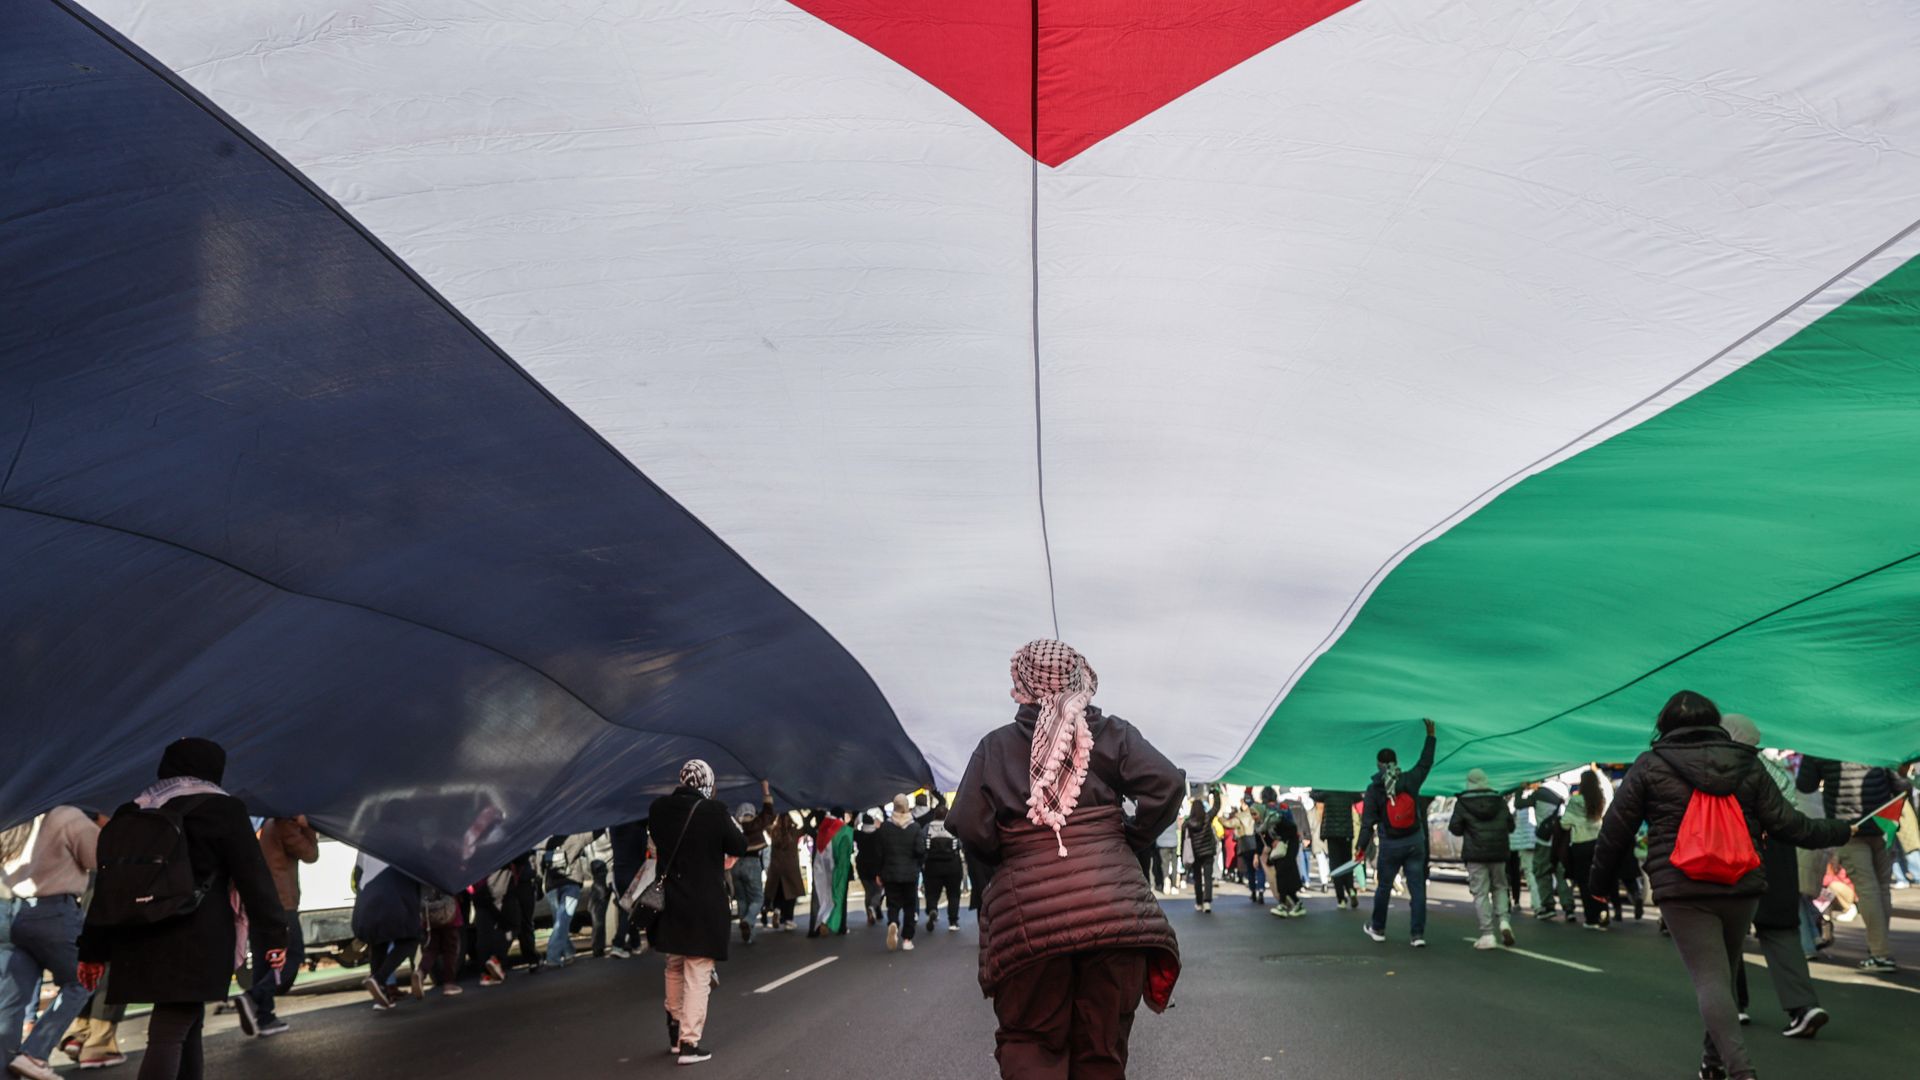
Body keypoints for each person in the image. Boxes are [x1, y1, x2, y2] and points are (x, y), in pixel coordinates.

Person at [949, 640, 1183, 1079]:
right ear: (1081, 678)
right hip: (1115, 913)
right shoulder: (1112, 734)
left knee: (1032, 1044)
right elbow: (1167, 785)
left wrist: (1016, 857)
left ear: (1020, 684)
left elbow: (969, 824)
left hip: (1030, 923)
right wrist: (1127, 839)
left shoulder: (996, 748)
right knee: (1102, 1050)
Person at [1589, 691, 1852, 1080]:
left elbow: (1615, 830)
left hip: (1682, 888)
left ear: (1664, 725)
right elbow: (1788, 825)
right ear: (1714, 722)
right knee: (1723, 975)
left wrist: (1599, 885)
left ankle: (1740, 1070)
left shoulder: (1650, 764)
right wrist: (1842, 830)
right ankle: (1711, 1064)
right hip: (1740, 883)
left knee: (1711, 980)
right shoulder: (1747, 763)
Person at [76, 738, 287, 1080]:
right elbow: (253, 876)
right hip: (197, 937)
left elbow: (110, 885)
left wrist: (92, 950)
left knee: (186, 1023)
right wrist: (275, 935)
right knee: (170, 1030)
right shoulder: (224, 809)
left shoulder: (134, 810)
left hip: (138, 935)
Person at [1719, 717, 1828, 1039]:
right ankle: (1804, 1006)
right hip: (1779, 853)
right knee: (1781, 929)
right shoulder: (1773, 768)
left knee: (1728, 932)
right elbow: (1792, 816)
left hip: (1734, 853)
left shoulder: (1720, 769)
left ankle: (1733, 1004)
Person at [648, 759, 748, 1067]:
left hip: (670, 902)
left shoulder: (658, 809)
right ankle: (690, 1043)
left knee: (674, 965)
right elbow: (739, 844)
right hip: (703, 904)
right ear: (707, 782)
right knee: (698, 971)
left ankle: (675, 1032)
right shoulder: (714, 811)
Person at [2, 805, 101, 1080]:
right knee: (84, 978)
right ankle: (34, 1053)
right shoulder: (64, 815)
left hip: (10, 912)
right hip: (53, 910)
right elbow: (98, 856)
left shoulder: (15, 813)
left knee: (14, 1001)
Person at [1795, 754, 1910, 972]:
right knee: (1882, 888)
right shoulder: (1874, 738)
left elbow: (1805, 785)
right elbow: (1900, 784)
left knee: (1867, 889)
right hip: (1883, 824)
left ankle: (1880, 953)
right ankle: (1879, 949)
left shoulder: (1821, 745)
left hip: (1847, 828)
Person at [1356, 719, 1438, 947]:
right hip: (1414, 841)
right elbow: (1425, 762)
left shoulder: (1374, 789)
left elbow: (1367, 822)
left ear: (1378, 764)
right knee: (1417, 888)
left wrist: (1361, 848)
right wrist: (1431, 735)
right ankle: (1418, 935)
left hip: (1390, 845)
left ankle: (1378, 928)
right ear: (1395, 762)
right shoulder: (1410, 779)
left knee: (1384, 887)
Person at [235, 815, 317, 1037]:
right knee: (292, 954)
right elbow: (310, 854)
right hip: (281, 904)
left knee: (266, 958)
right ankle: (254, 996)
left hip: (256, 903)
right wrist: (307, 828)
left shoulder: (261, 827)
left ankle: (265, 1017)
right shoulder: (283, 825)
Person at [1448, 769, 1515, 949]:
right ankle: (1504, 922)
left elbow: (1454, 828)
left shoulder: (1463, 803)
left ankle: (1488, 934)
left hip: (1475, 854)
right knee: (1500, 887)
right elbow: (1511, 825)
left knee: (1481, 893)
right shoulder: (1499, 801)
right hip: (1499, 852)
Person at [351, 852, 422, 1010]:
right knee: (410, 939)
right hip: (396, 898)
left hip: (367, 898)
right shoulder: (404, 838)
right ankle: (379, 979)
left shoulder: (366, 840)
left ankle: (381, 996)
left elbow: (358, 872)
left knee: (379, 943)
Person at [876, 795, 926, 951]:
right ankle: (907, 939)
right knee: (910, 906)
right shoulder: (915, 827)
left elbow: (879, 852)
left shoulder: (885, 827)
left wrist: (879, 872)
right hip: (910, 873)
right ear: (906, 807)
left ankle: (893, 922)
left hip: (889, 872)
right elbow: (920, 850)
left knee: (893, 903)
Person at [1564, 770, 1610, 929]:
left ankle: (1591, 918)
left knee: (1584, 882)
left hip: (1581, 845)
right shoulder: (1600, 799)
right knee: (1599, 879)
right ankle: (1604, 911)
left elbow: (1565, 824)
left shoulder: (1575, 801)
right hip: (1598, 843)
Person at [541, 833, 594, 967]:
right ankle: (557, 955)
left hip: (552, 886)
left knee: (561, 921)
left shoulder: (545, 841)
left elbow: (538, 862)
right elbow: (594, 834)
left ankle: (563, 953)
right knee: (562, 920)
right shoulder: (576, 838)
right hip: (570, 883)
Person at [732, 783, 775, 944]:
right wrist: (765, 790)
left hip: (736, 865)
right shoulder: (756, 824)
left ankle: (748, 937)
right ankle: (748, 921)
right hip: (752, 863)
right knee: (757, 898)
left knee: (742, 899)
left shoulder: (735, 827)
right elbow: (769, 813)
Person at [1522, 783, 1570, 920]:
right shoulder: (1562, 788)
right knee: (1562, 875)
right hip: (1560, 841)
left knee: (1542, 873)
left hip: (1544, 841)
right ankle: (1569, 908)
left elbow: (1520, 804)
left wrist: (1521, 789)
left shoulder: (1539, 794)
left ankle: (1548, 906)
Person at [1310, 788, 1360, 910]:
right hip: (1347, 834)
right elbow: (1360, 796)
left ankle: (1341, 899)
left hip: (1332, 835)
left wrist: (1318, 785)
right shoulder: (1349, 793)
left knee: (1335, 867)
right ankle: (1351, 890)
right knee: (1347, 864)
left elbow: (1314, 795)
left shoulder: (1328, 793)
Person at [607, 817, 650, 958]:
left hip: (618, 872)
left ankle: (635, 943)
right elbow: (642, 851)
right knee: (628, 909)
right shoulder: (638, 828)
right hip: (634, 872)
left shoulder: (614, 826)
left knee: (627, 908)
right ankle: (618, 944)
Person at [809, 808, 853, 938]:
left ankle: (814, 928)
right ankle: (840, 926)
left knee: (818, 897)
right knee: (839, 897)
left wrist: (813, 812)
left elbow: (806, 825)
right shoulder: (843, 830)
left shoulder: (820, 830)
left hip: (820, 869)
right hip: (837, 869)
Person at [923, 804, 966, 932]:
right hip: (952, 864)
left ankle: (932, 909)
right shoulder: (952, 827)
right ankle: (953, 921)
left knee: (932, 892)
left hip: (932, 864)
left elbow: (922, 843)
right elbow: (961, 843)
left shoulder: (928, 827)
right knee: (953, 894)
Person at [763, 812, 808, 932]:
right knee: (790, 894)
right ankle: (788, 920)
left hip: (776, 868)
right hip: (791, 868)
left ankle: (777, 910)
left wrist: (773, 817)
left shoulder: (774, 832)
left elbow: (765, 824)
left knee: (779, 892)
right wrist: (801, 814)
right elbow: (806, 827)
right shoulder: (794, 832)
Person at [1262, 792, 1304, 918]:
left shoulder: (1275, 813)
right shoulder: (1281, 809)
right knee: (1285, 874)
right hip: (1287, 845)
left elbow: (1289, 829)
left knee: (1282, 873)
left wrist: (1279, 839)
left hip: (1287, 846)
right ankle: (1295, 903)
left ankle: (1283, 905)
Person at [1183, 787, 1222, 913]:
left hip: (1195, 854)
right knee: (1208, 877)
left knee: (1197, 879)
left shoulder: (1188, 823)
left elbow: (1185, 841)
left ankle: (1199, 902)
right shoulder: (1207, 817)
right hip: (1208, 852)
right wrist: (1215, 793)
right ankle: (1207, 902)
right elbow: (1216, 807)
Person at [853, 813, 886, 925]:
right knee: (879, 890)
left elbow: (851, 828)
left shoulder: (858, 834)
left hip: (862, 865)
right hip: (876, 866)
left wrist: (855, 816)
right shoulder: (878, 834)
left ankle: (870, 913)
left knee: (868, 891)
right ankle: (873, 906)